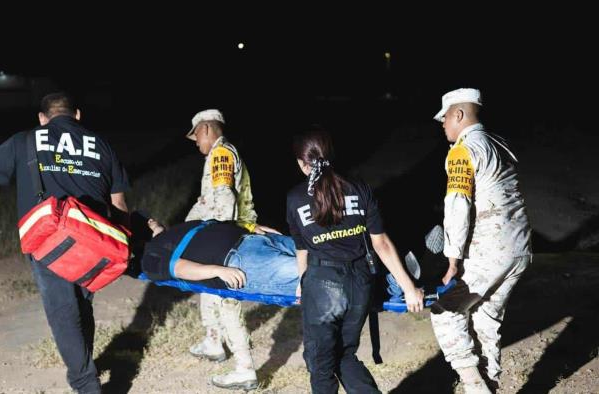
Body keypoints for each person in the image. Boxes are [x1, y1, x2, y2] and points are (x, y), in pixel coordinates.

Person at [0, 92, 129, 394]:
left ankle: (86, 384)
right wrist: (121, 243)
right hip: (94, 239)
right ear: (77, 115)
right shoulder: (101, 144)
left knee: (62, 312)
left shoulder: (25, 139)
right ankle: (84, 367)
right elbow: (119, 202)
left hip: (48, 240)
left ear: (42, 118)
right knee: (81, 306)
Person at [286, 128, 424, 394]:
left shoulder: (295, 198)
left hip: (323, 286)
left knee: (320, 362)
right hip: (360, 283)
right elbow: (381, 243)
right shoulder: (359, 188)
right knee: (345, 354)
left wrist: (302, 281)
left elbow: (302, 247)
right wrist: (408, 287)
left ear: (303, 164)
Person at [430, 88, 532, 394]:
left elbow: (457, 205)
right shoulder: (499, 144)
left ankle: (476, 388)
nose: (443, 124)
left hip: (489, 249)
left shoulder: (463, 150)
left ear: (459, 115)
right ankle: (492, 381)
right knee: (485, 316)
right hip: (519, 249)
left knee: (445, 313)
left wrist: (452, 261)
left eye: (445, 117)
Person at [184, 109, 262, 390]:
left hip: (224, 237)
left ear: (206, 128)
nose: (196, 143)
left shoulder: (220, 154)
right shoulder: (221, 153)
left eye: (196, 137)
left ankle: (245, 369)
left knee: (227, 300)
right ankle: (214, 341)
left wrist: (216, 237)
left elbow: (224, 198)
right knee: (208, 287)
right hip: (221, 234)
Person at [137, 217, 298, 297]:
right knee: (314, 276)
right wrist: (218, 271)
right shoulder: (150, 257)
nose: (153, 220)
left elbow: (218, 223)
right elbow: (178, 269)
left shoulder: (179, 229)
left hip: (255, 239)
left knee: (320, 252)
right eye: (149, 221)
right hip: (238, 260)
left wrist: (250, 226)